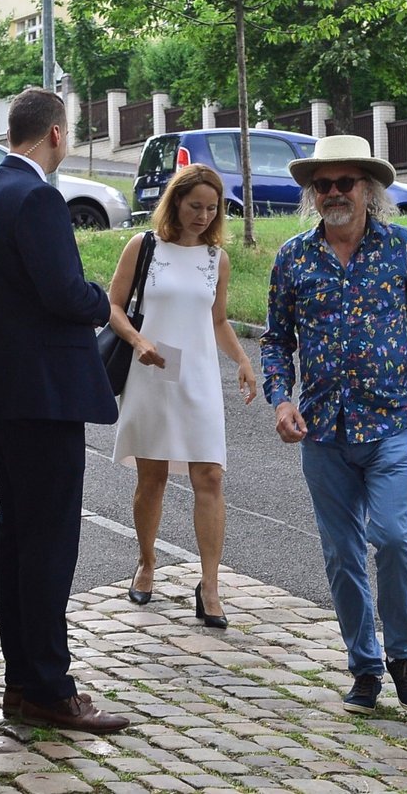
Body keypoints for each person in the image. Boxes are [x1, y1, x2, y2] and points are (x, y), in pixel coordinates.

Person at [261, 135, 407, 716]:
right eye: (321, 185)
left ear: (367, 191)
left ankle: (403, 653)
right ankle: (364, 665)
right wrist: (281, 401)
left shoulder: (400, 249)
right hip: (322, 430)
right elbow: (276, 342)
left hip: (391, 424)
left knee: (397, 538)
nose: (332, 193)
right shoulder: (293, 257)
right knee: (342, 553)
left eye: (343, 183)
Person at [0, 87, 128, 734]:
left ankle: (23, 680)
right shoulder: (35, 196)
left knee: (20, 539)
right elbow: (64, 292)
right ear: (56, 134)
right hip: (44, 394)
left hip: (9, 390)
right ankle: (50, 689)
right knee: (49, 543)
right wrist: (99, 299)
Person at [108, 164, 257, 629]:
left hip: (198, 377)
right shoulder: (145, 246)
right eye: (196, 206)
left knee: (210, 476)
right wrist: (138, 341)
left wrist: (242, 361)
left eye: (212, 209)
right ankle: (147, 561)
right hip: (152, 374)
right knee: (151, 477)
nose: (204, 216)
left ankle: (209, 584)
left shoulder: (217, 258)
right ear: (175, 201)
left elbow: (217, 319)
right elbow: (113, 306)